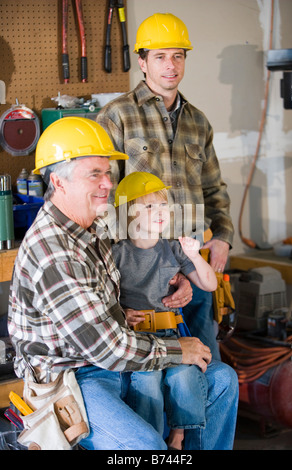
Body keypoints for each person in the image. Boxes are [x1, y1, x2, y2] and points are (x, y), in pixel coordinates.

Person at [8, 117, 238, 450]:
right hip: (74, 377)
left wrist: (177, 277)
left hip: (121, 356)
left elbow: (146, 240)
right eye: (94, 174)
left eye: (108, 173)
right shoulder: (54, 253)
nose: (106, 184)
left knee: (222, 382)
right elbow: (108, 349)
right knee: (145, 446)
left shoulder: (92, 226)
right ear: (58, 181)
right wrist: (178, 350)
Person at [97, 13, 234, 360]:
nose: (170, 65)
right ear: (142, 62)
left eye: (178, 55)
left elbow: (214, 188)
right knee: (154, 380)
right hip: (140, 276)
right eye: (160, 56)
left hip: (191, 260)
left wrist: (222, 237)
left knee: (207, 368)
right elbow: (104, 199)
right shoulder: (116, 116)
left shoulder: (198, 122)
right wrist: (156, 273)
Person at [112, 171, 217, 450]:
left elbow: (210, 283)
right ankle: (150, 443)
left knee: (185, 376)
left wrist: (194, 255)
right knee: (146, 381)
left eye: (162, 205)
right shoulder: (116, 254)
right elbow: (104, 298)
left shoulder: (174, 249)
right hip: (138, 338)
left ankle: (178, 438)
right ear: (130, 214)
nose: (160, 212)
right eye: (149, 207)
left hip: (171, 334)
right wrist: (121, 312)